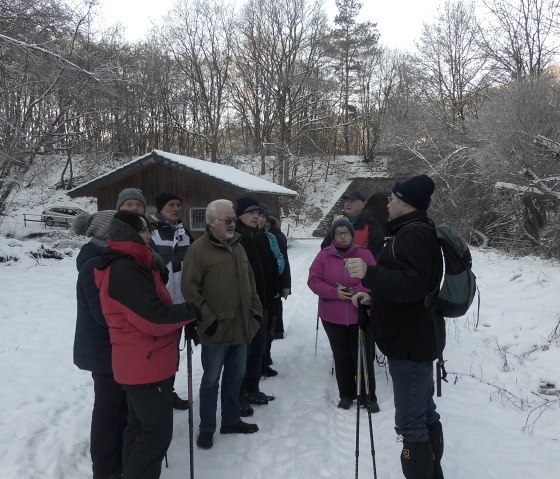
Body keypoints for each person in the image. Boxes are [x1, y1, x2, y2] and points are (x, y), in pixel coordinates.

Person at [346, 174, 445, 479]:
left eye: (391, 198)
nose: (387, 203)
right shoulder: (410, 231)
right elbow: (408, 285)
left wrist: (369, 273)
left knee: (411, 424)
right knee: (424, 414)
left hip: (409, 344)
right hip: (412, 339)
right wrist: (373, 297)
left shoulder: (413, 234)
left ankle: (425, 471)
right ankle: (433, 471)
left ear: (404, 202)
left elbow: (413, 286)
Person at [95, 211, 200, 479]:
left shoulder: (137, 263)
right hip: (144, 365)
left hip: (143, 361)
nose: (149, 235)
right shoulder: (124, 269)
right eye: (143, 230)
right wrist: (190, 312)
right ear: (128, 234)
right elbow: (153, 318)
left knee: (138, 428)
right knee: (155, 435)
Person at [182, 199, 261, 450]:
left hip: (242, 328)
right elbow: (190, 289)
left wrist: (255, 313)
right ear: (211, 221)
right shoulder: (198, 250)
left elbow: (251, 284)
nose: (231, 223)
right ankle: (206, 428)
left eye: (233, 219)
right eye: (226, 220)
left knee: (235, 378)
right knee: (210, 382)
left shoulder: (238, 247)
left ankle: (231, 420)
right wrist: (209, 321)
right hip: (216, 330)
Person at [73, 210, 127, 479]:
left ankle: (119, 457)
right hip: (103, 351)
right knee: (108, 410)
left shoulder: (107, 259)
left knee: (119, 406)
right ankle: (105, 469)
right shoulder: (94, 263)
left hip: (115, 347)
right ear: (106, 233)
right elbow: (104, 314)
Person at [308, 217, 379, 412]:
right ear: (332, 236)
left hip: (361, 313)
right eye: (338, 233)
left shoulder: (364, 254)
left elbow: (375, 275)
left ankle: (368, 396)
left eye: (346, 233)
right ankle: (346, 394)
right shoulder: (323, 256)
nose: (342, 236)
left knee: (363, 355)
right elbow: (313, 280)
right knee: (342, 356)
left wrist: (357, 289)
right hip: (332, 316)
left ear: (352, 235)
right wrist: (334, 292)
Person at [149, 191, 195, 410]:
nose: (176, 208)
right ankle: (156, 393)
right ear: (160, 208)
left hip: (180, 302)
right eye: (171, 205)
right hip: (159, 302)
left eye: (178, 204)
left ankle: (168, 391)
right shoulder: (150, 232)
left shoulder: (183, 232)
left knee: (172, 352)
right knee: (157, 353)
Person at [235, 196, 279, 408]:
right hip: (245, 307)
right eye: (251, 212)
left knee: (258, 350)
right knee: (243, 353)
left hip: (264, 302)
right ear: (239, 215)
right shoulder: (236, 239)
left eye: (258, 213)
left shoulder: (260, 236)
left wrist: (273, 294)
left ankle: (253, 388)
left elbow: (269, 267)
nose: (256, 216)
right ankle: (239, 394)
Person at [258, 205, 290, 377]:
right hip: (257, 292)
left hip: (273, 290)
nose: (261, 219)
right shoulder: (246, 238)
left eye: (264, 216)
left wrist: (279, 277)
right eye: (258, 216)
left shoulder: (272, 238)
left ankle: (265, 359)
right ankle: (257, 363)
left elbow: (281, 258)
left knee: (270, 326)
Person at [321, 191, 384, 259]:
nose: (348, 204)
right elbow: (325, 246)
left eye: (352, 201)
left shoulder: (372, 224)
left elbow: (376, 251)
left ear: (363, 204)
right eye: (346, 201)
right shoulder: (340, 223)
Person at [267, 215, 291, 339]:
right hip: (281, 276)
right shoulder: (279, 234)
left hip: (277, 276)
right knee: (277, 304)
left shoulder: (273, 237)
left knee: (275, 305)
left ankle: (277, 330)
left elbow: (282, 259)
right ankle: (278, 330)